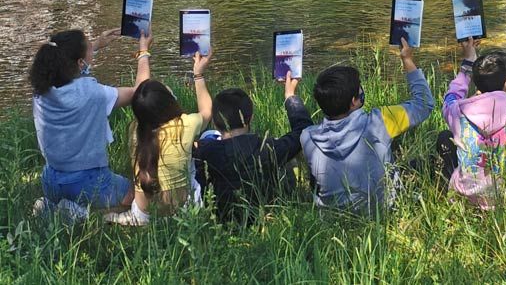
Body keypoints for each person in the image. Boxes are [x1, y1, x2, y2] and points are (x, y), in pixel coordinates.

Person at [30, 28, 151, 221]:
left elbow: (67, 60)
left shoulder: (41, 90)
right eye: (88, 47)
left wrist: (96, 45)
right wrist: (143, 51)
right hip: (86, 182)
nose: (91, 49)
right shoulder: (92, 93)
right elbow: (142, 91)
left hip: (51, 180)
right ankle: (82, 214)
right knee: (140, 197)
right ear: (80, 63)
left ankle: (51, 206)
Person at [302, 39, 434, 214]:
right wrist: (407, 60)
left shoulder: (308, 137)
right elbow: (423, 104)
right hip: (383, 212)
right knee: (423, 162)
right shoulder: (379, 121)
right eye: (359, 90)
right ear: (353, 102)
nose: (362, 90)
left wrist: (290, 96)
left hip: (334, 218)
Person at [106, 49, 213, 225]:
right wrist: (198, 74)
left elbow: (143, 96)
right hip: (180, 212)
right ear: (168, 103)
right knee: (206, 140)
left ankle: (127, 218)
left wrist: (143, 51)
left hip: (143, 213)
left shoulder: (134, 130)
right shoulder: (185, 125)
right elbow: (207, 111)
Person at [438, 39, 506, 209]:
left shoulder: (457, 111)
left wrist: (467, 66)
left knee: (445, 137)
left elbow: (450, 98)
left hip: (467, 198)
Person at [194, 71, 313, 224]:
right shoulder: (268, 148)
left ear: (215, 123)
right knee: (289, 162)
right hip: (263, 216)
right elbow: (303, 129)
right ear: (250, 118)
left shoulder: (205, 153)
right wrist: (290, 96)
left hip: (221, 223)